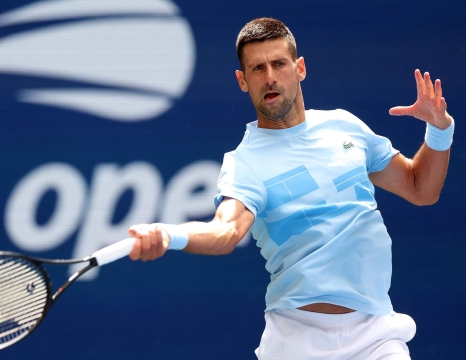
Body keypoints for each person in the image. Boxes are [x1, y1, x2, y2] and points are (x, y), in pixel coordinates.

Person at [126, 18, 454, 359]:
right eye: (257, 68)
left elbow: (420, 189)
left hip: (377, 335)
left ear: (300, 68)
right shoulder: (245, 163)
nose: (269, 77)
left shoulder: (346, 126)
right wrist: (168, 235)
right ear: (242, 81)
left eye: (278, 64)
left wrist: (439, 129)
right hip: (296, 341)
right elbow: (224, 232)